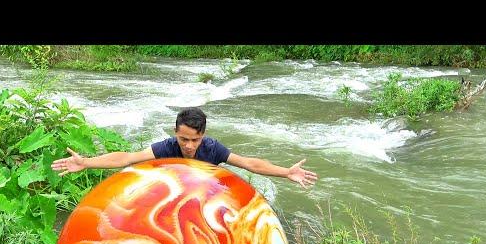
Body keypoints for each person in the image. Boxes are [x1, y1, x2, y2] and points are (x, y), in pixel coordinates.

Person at [51, 107, 318, 188]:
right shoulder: (167, 147)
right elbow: (128, 158)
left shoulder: (212, 149)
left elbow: (249, 163)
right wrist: (86, 162)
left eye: (195, 140)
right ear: (175, 133)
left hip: (204, 190)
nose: (189, 146)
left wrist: (285, 172)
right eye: (184, 139)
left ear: (203, 136)